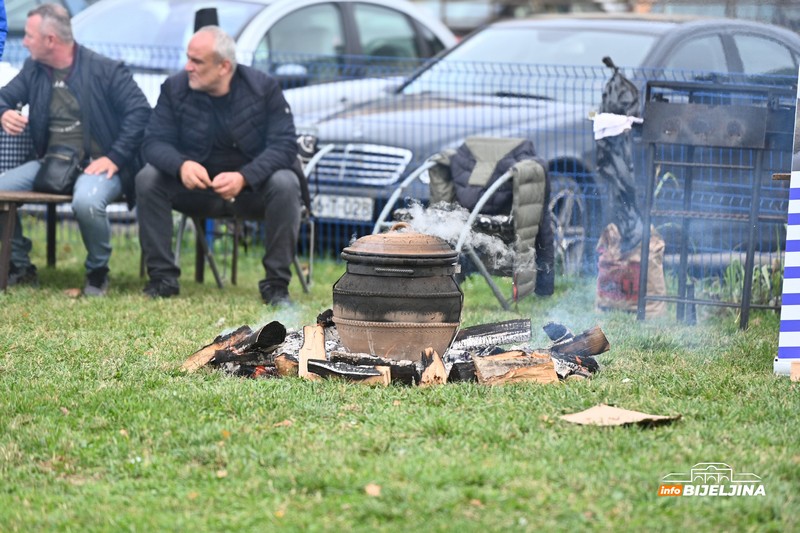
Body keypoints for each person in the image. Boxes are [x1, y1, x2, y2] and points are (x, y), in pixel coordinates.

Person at [136, 26, 302, 306]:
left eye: (197, 61)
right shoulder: (174, 88)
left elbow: (285, 145)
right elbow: (152, 142)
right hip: (195, 191)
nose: (188, 67)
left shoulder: (264, 88)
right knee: (147, 178)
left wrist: (245, 177)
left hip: (251, 193)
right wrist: (181, 165)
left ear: (224, 66)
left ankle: (276, 286)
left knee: (286, 182)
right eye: (188, 58)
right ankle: (162, 280)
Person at [0, 3, 150, 295]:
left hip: (99, 163)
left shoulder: (106, 70)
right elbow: (4, 97)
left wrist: (115, 157)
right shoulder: (34, 69)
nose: (24, 41)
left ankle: (97, 272)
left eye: (29, 36)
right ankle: (20, 266)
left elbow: (141, 113)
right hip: (52, 163)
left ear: (50, 40)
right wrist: (3, 111)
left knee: (86, 201)